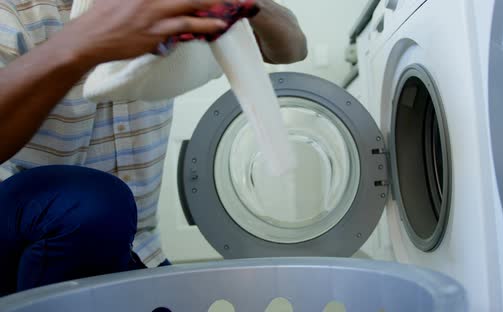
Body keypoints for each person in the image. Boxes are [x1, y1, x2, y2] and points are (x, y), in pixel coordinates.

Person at [0, 0, 307, 296]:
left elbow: (292, 48)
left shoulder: (170, 8)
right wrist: (80, 42)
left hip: (135, 248)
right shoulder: (18, 10)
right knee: (92, 201)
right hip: (23, 238)